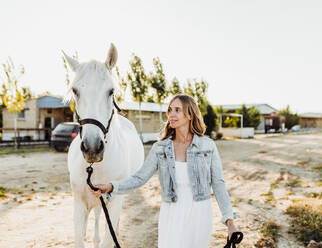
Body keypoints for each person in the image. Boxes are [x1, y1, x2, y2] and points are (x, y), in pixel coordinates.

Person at [90, 94, 239, 248]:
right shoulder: (160, 148)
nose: (171, 114)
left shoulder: (207, 146)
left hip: (200, 214)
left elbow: (219, 183)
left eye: (177, 110)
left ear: (189, 114)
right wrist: (112, 186)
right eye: (170, 110)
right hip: (171, 212)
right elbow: (139, 178)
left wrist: (230, 221)